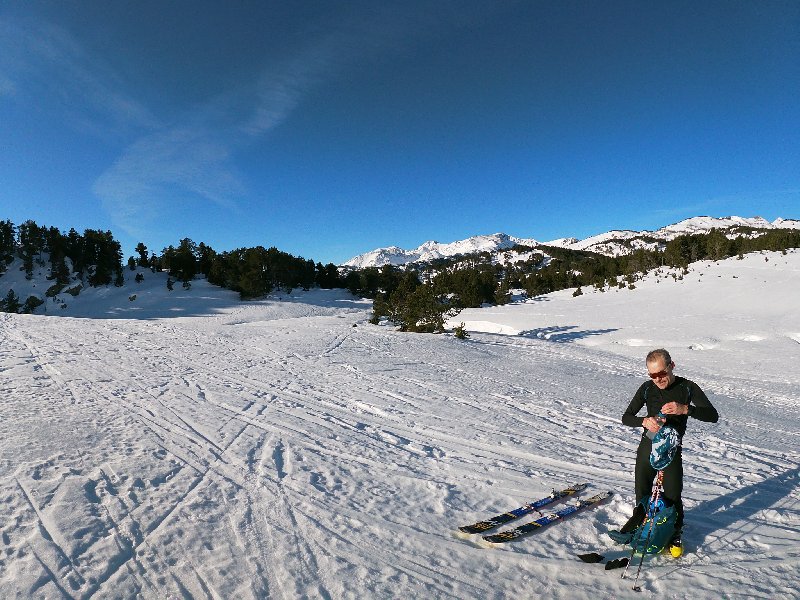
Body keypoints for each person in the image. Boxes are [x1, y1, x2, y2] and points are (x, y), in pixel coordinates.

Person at [619, 348, 719, 552]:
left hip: (671, 449)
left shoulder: (688, 387)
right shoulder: (647, 388)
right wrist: (644, 421)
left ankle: (675, 533)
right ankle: (641, 527)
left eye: (662, 373)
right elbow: (626, 417)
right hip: (648, 444)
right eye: (653, 375)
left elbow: (712, 415)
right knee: (642, 491)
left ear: (671, 366)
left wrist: (686, 409)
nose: (658, 379)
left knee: (673, 495)